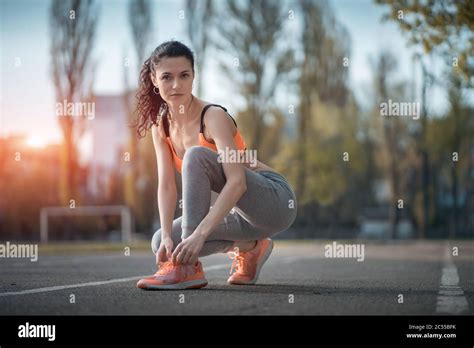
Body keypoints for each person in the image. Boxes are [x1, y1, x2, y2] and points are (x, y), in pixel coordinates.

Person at [133, 40, 297, 290]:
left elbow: (238, 182)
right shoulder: (161, 127)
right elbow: (166, 187)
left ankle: (186, 269)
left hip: (274, 201)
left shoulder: (212, 116)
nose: (176, 85)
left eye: (184, 75)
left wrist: (198, 236)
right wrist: (167, 234)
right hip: (237, 215)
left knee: (196, 155)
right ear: (155, 80)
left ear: (193, 77)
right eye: (167, 77)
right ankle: (252, 247)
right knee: (162, 244)